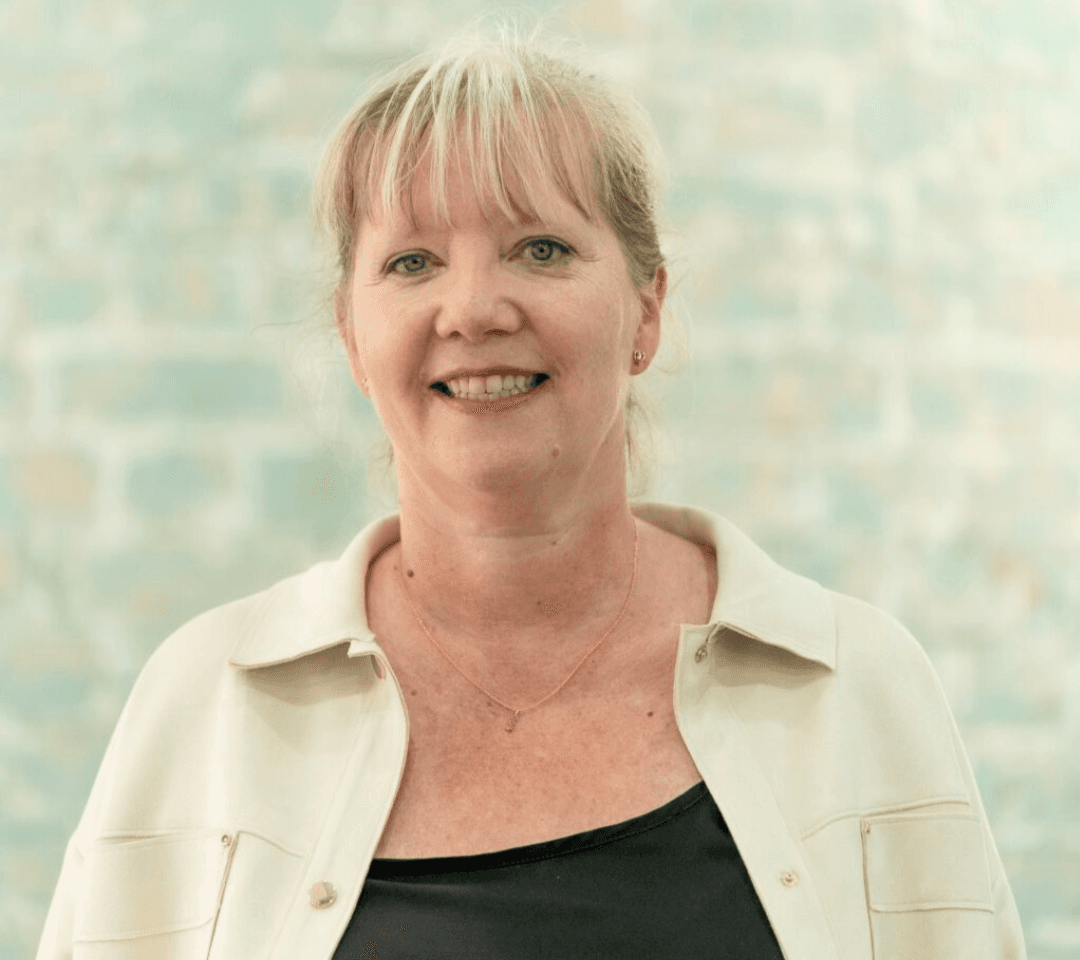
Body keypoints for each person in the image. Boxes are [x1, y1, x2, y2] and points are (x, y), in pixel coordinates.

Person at [37, 22, 1026, 960]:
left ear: (646, 311)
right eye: (412, 261)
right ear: (352, 336)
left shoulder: (861, 693)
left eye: (540, 249)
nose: (472, 309)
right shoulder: (200, 709)